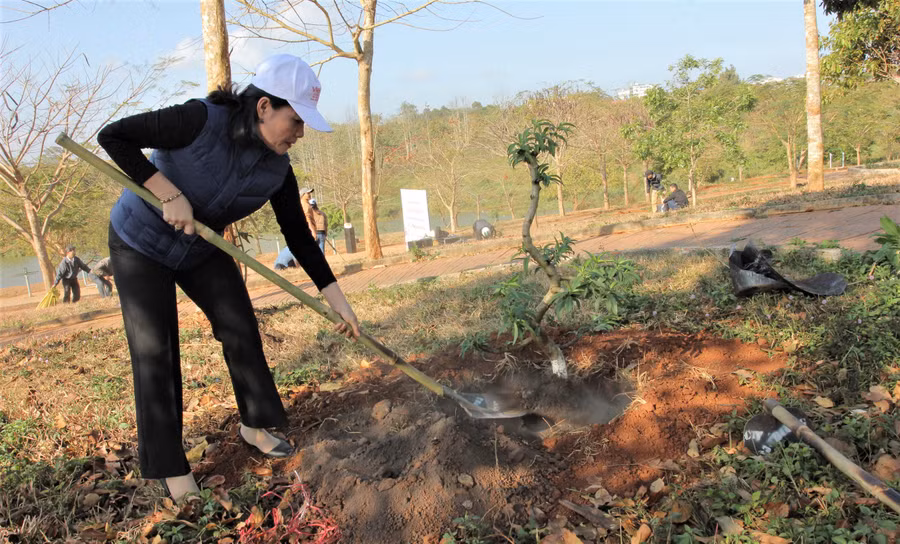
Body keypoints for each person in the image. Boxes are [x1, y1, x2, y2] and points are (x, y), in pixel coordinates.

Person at [97, 53, 361, 501]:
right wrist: (167, 193)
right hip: (139, 242)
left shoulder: (277, 170)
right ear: (264, 107)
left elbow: (299, 238)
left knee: (240, 325)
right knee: (155, 350)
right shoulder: (198, 120)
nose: (299, 134)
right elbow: (114, 136)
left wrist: (340, 303)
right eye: (296, 121)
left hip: (200, 247)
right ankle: (170, 467)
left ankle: (254, 424)